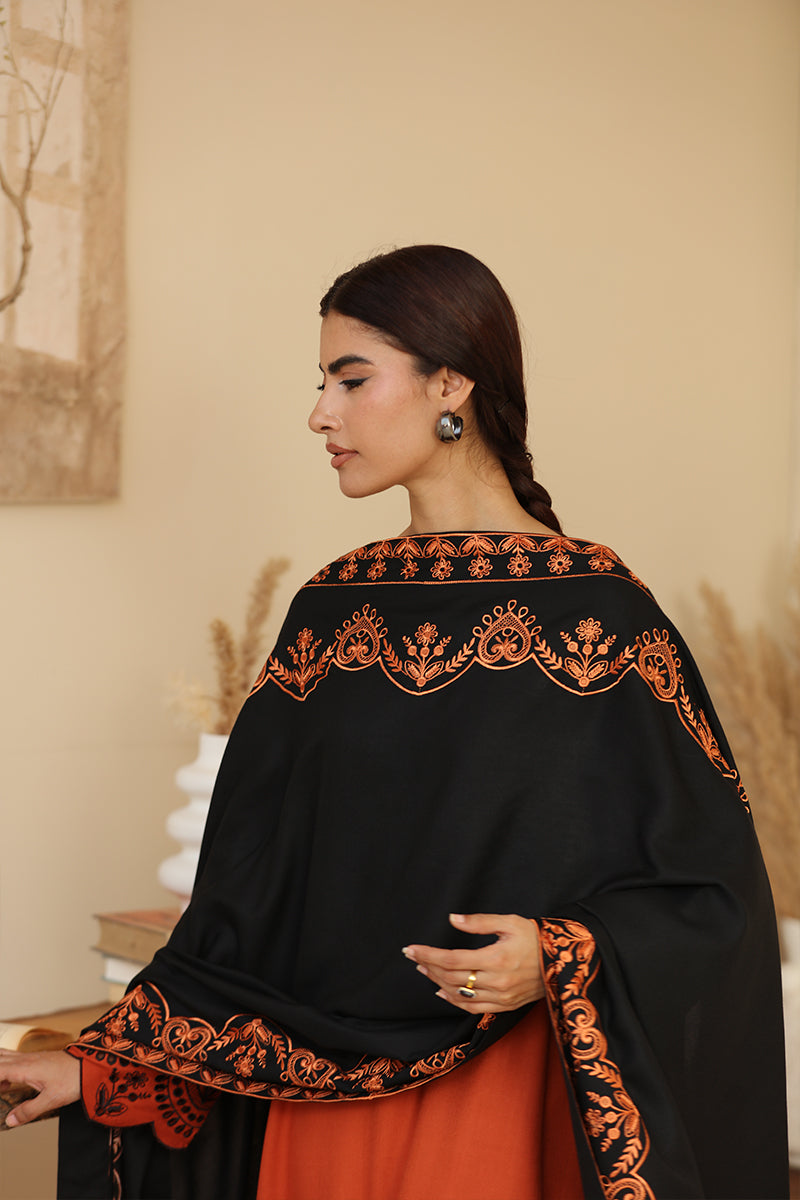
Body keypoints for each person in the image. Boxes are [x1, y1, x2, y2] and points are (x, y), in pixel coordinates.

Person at [0, 245, 789, 1199]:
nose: (319, 413)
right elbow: (248, 898)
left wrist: (560, 954)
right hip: (309, 1117)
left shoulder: (600, 621)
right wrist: (101, 1064)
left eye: (351, 377)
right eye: (322, 380)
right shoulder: (332, 615)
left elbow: (712, 892)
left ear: (451, 380)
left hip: (493, 1110)